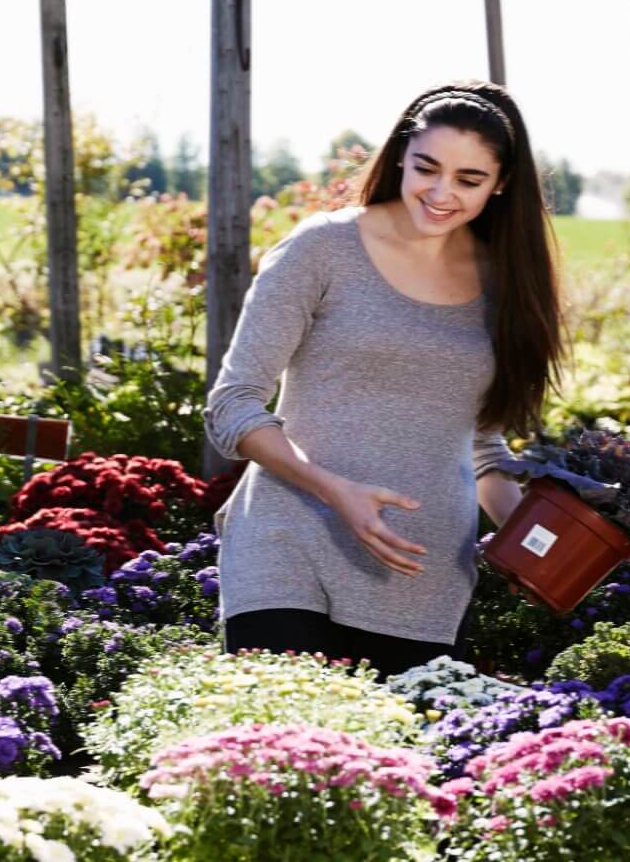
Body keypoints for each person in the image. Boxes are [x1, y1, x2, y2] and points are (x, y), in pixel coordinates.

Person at [205, 80, 565, 677]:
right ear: (402, 154)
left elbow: (480, 445)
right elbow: (233, 405)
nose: (441, 192)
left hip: (422, 577)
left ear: (501, 185)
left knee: (398, 768)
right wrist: (333, 490)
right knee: (282, 755)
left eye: (469, 180)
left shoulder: (507, 285)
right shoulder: (322, 249)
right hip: (288, 545)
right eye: (427, 167)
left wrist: (545, 546)